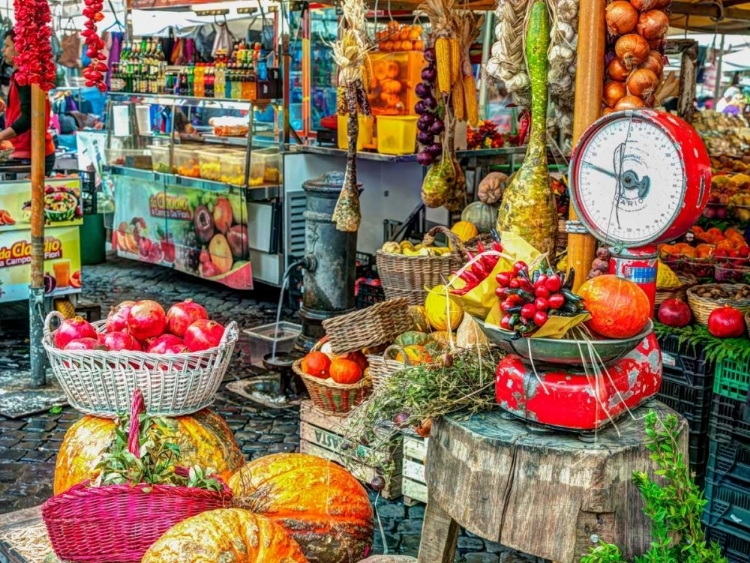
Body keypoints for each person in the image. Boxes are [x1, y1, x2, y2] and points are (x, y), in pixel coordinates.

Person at [0, 30, 56, 175]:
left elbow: (29, 117)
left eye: (7, 46)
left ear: (19, 48)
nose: (3, 50)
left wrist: (1, 136)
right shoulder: (24, 75)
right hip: (27, 151)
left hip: (31, 153)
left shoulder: (25, 78)